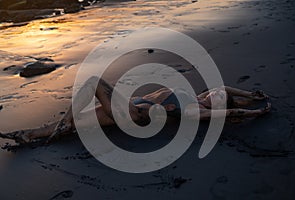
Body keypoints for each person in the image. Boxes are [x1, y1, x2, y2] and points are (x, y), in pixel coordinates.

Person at [0, 77, 271, 144]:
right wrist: (251, 95)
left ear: (217, 105)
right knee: (79, 122)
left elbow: (229, 114)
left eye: (218, 97)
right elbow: (225, 87)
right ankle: (26, 135)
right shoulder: (201, 97)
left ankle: (59, 128)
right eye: (216, 92)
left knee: (94, 82)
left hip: (131, 114)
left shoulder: (196, 111)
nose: (216, 92)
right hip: (123, 107)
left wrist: (254, 113)